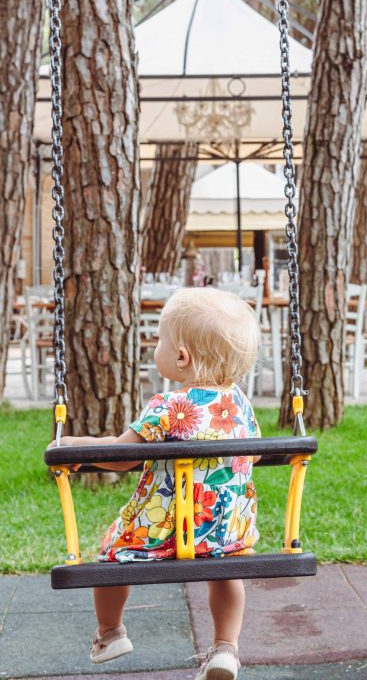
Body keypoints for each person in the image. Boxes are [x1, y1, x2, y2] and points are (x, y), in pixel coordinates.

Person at [48, 287, 262, 680]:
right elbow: (258, 454)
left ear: (181, 357)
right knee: (227, 570)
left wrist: (74, 445)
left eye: (160, 340)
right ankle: (226, 649)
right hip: (225, 530)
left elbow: (123, 455)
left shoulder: (167, 407)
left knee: (112, 554)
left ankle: (110, 632)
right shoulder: (240, 404)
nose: (156, 346)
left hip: (161, 529)